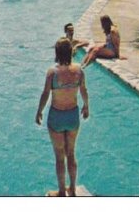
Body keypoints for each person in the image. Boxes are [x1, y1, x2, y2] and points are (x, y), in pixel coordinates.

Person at [36, 38, 90, 197]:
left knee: (60, 157)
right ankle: (72, 189)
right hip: (72, 116)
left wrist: (39, 111)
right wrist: (86, 106)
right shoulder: (79, 71)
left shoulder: (52, 72)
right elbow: (84, 91)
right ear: (71, 52)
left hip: (57, 117)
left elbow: (45, 94)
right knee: (71, 153)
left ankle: (61, 192)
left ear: (57, 53)